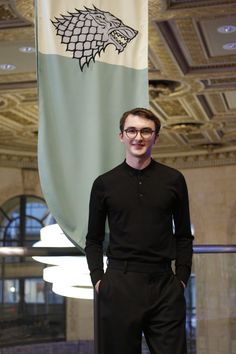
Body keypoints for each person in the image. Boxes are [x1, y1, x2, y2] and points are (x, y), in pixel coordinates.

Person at [85, 107, 193, 354]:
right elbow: (93, 238)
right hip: (119, 283)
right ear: (121, 136)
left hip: (165, 285)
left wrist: (182, 280)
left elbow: (184, 235)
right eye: (131, 130)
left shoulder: (174, 179)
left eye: (146, 131)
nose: (138, 137)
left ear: (156, 137)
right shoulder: (104, 184)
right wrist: (98, 280)